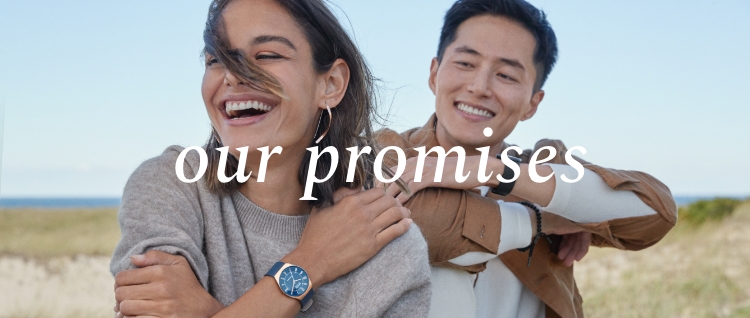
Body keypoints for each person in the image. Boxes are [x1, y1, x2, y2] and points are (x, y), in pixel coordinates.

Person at [109, 0, 431, 317]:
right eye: (216, 60)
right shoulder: (170, 185)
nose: (232, 76)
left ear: (330, 85)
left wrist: (210, 311)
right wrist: (311, 261)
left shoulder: (389, 248)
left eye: (266, 55)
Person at [374, 0, 678, 317]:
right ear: (434, 74)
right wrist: (545, 219)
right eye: (465, 63)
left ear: (533, 103)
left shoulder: (538, 173)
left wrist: (496, 172)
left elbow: (657, 214)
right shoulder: (384, 152)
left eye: (506, 75)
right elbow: (423, 226)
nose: (479, 87)